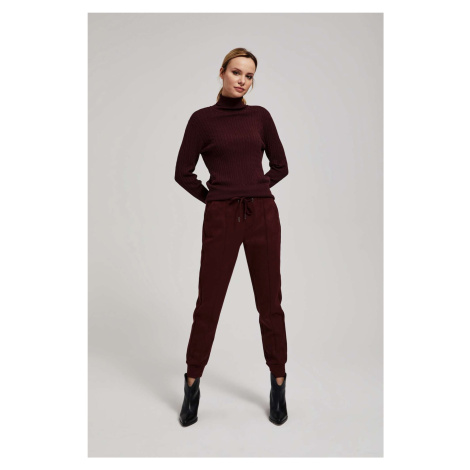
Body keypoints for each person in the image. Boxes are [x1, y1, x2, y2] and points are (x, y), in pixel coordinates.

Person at [175, 48, 289, 426]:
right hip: (222, 216)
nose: (242, 80)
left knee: (270, 303)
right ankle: (192, 384)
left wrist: (256, 187)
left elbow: (280, 165)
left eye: (249, 76)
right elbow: (183, 172)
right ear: (222, 72)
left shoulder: (260, 117)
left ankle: (278, 383)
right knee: (208, 303)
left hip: (262, 215)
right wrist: (215, 199)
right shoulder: (202, 120)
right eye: (236, 72)